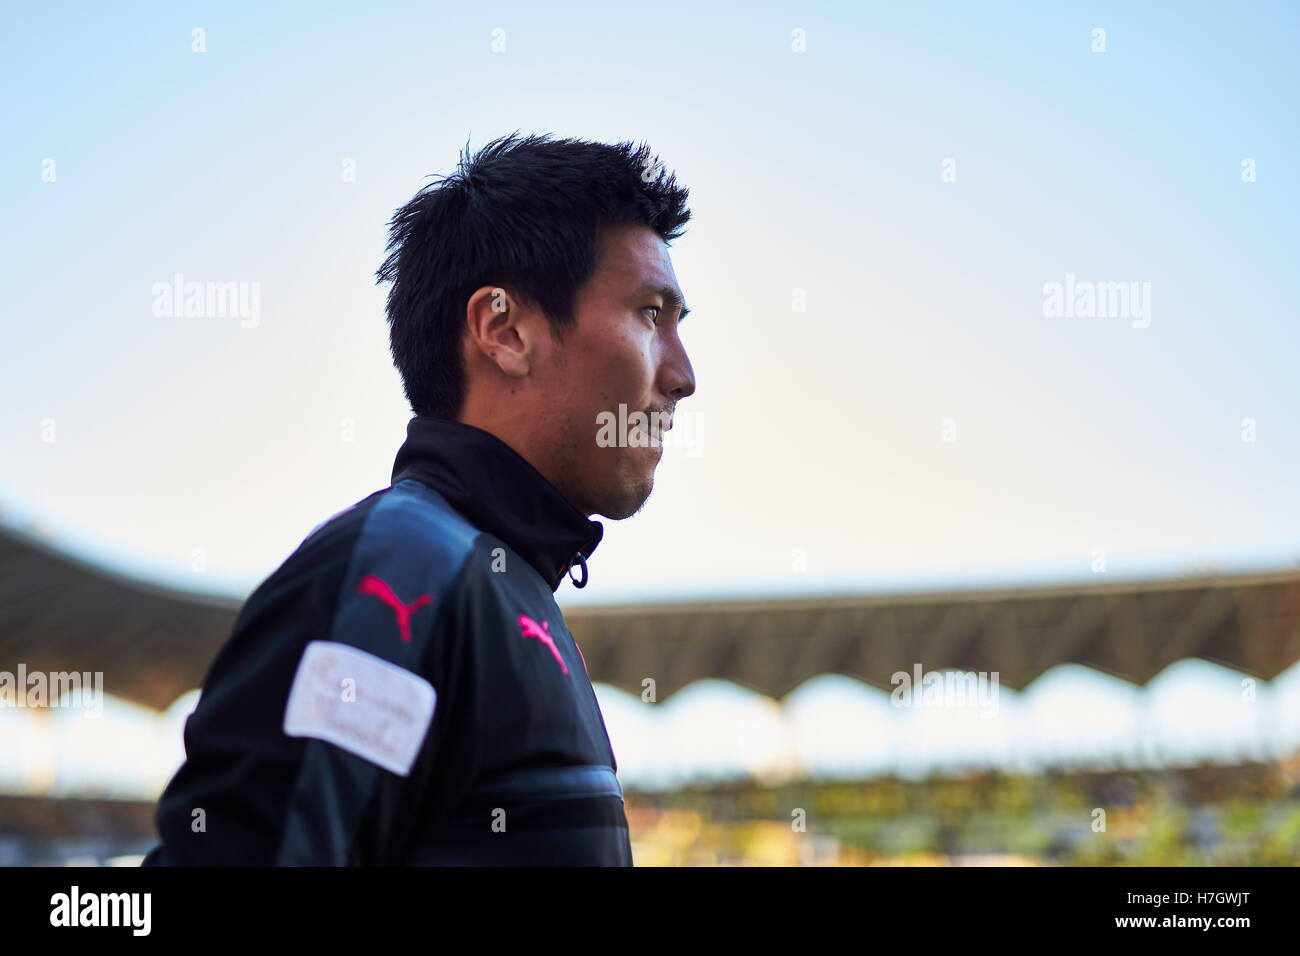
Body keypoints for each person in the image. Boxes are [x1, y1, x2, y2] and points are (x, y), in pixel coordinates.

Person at [142, 132, 696, 865]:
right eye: (649, 314)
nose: (683, 375)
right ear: (503, 330)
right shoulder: (403, 572)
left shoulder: (510, 587)